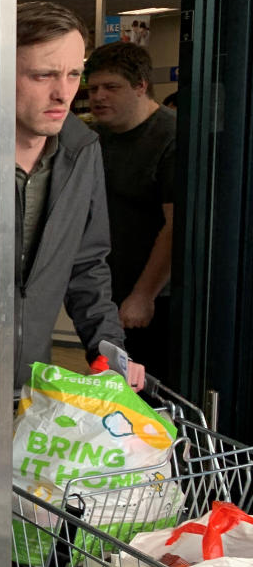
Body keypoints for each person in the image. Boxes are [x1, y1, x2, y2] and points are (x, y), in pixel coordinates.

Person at [14, 1, 145, 391]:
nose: (64, 93)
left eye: (74, 74)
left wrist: (106, 348)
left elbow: (87, 262)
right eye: (43, 75)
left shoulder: (82, 148)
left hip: (30, 378)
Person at [85, 42, 175, 385]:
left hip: (151, 303)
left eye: (111, 87)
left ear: (140, 85)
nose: (99, 97)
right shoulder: (96, 138)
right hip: (105, 296)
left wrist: (143, 295)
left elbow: (175, 226)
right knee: (109, 394)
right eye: (93, 88)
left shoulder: (170, 138)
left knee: (146, 402)